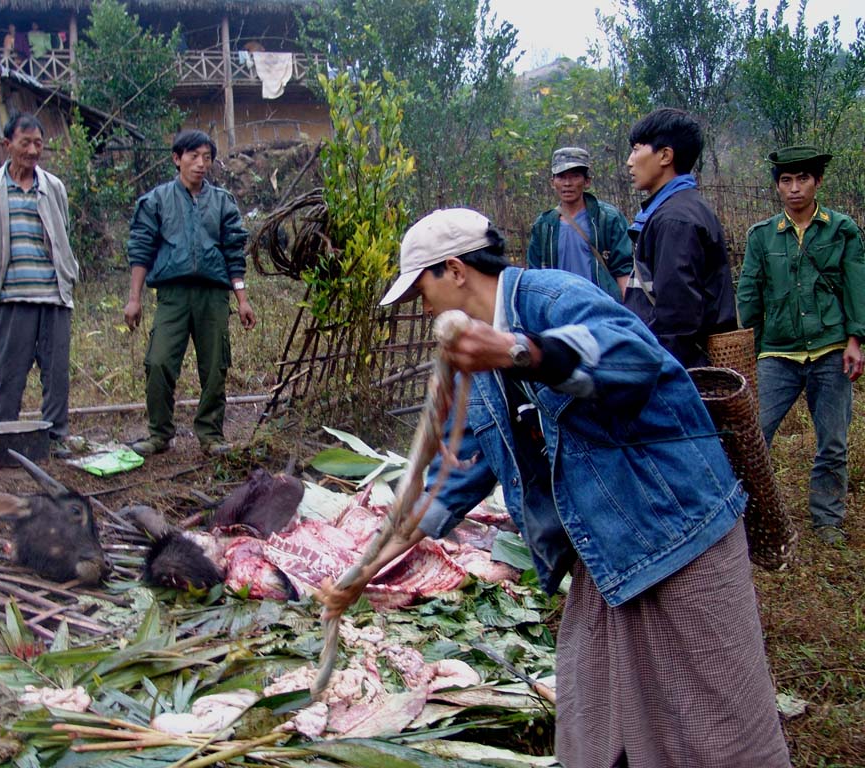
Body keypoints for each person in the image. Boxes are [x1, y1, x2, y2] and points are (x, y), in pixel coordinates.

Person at [319, 208, 791, 768]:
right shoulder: (473, 369)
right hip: (606, 553)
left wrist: (523, 351)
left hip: (678, 531)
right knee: (593, 720)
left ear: (454, 270)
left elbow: (635, 360)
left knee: (718, 723)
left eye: (421, 289)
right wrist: (358, 577)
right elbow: (445, 489)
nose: (422, 308)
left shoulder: (552, 298)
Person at [737, 146, 865, 546]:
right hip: (778, 351)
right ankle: (746, 518)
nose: (795, 189)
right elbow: (749, 293)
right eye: (786, 181)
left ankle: (827, 520)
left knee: (833, 440)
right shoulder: (761, 236)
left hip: (830, 348)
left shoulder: (841, 229)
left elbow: (856, 286)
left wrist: (855, 340)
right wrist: (747, 345)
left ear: (817, 182)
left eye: (803, 179)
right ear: (777, 186)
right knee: (752, 436)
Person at [124, 129, 254, 457]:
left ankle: (211, 435)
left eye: (207, 158)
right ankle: (160, 434)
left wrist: (242, 299)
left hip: (212, 296)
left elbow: (233, 252)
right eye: (193, 156)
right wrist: (134, 298)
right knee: (158, 362)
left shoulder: (222, 201)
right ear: (177, 158)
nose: (200, 164)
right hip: (173, 295)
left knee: (214, 366)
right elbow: (141, 249)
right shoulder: (156, 201)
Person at [0, 113, 78, 457]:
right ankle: (3, 438)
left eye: (38, 143)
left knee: (56, 374)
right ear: (7, 145)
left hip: (53, 295)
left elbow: (63, 234)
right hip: (12, 296)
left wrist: (66, 274)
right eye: (25, 142)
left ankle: (56, 437)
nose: (33, 150)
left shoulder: (53, 187)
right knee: (8, 373)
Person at [623, 107, 736, 367]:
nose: (630, 161)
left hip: (680, 368)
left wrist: (663, 376)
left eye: (637, 149)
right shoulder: (679, 208)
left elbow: (677, 317)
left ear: (665, 155)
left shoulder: (675, 219)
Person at [526, 146, 632, 301]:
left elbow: (623, 270)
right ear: (552, 182)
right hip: (559, 309)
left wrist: (627, 313)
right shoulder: (544, 226)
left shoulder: (608, 219)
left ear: (587, 181)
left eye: (575, 176)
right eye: (561, 177)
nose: (567, 183)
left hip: (602, 307)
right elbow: (535, 277)